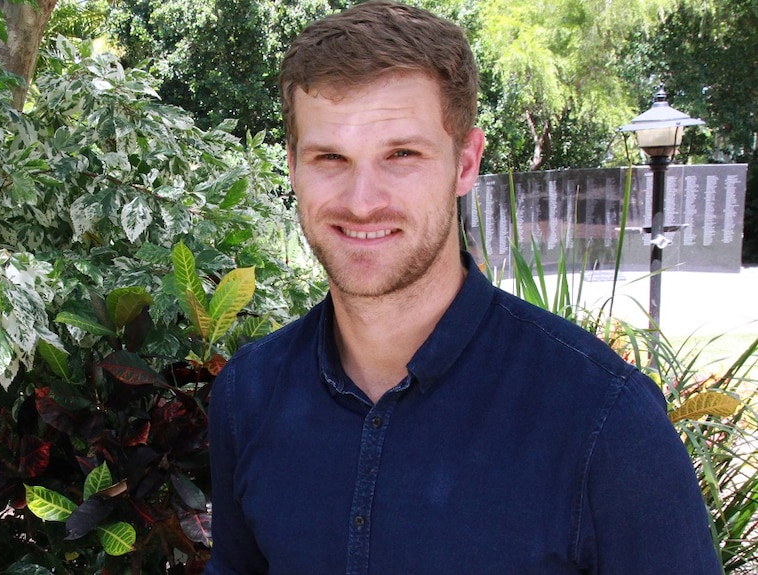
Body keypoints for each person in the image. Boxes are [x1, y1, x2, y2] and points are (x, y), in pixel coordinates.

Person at [205, 1, 722, 573]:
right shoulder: (247, 396)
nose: (360, 200)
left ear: (466, 162)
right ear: (294, 166)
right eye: (330, 157)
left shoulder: (603, 419)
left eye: (401, 154)